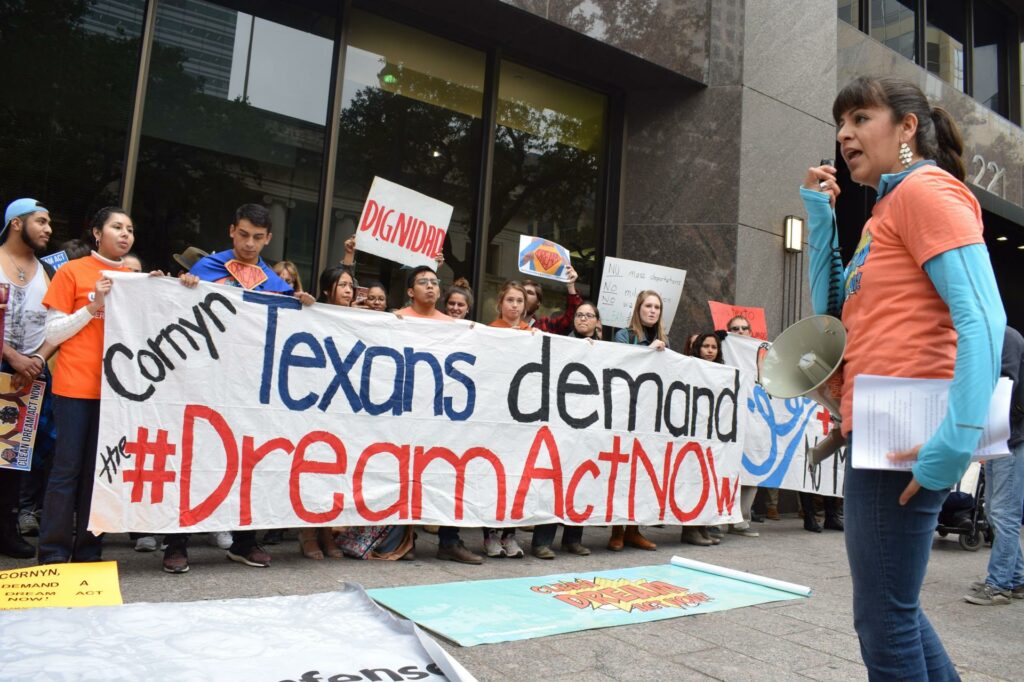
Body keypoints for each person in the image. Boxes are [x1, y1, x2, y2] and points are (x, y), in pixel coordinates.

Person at [802, 76, 1005, 679]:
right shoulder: (887, 208)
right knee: (895, 611)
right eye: (841, 123)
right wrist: (820, 216)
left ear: (908, 127)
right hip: (882, 431)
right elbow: (831, 321)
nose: (845, 134)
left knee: (884, 620)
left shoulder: (926, 191)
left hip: (907, 438)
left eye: (862, 118)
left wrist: (956, 437)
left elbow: (984, 319)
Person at [163, 204, 314, 574]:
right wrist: (182, 290)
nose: (249, 244)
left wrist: (306, 307)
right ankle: (176, 542)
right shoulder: (205, 270)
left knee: (250, 460)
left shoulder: (277, 285)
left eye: (258, 238)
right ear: (232, 230)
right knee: (192, 458)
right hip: (200, 380)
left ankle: (245, 541)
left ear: (269, 239)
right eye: (244, 234)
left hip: (248, 387)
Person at [36, 207, 137, 564]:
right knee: (67, 470)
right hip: (75, 386)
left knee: (101, 473)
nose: (125, 234)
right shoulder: (72, 271)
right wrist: (94, 305)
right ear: (97, 232)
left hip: (118, 393)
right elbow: (53, 333)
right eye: (116, 227)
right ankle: (53, 551)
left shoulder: (133, 279)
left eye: (129, 229)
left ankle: (89, 550)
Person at [392, 265, 481, 563]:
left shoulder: (454, 326)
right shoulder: (397, 319)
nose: (430, 286)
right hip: (407, 408)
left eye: (434, 282)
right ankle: (404, 539)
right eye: (423, 282)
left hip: (444, 412)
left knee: (450, 472)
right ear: (410, 291)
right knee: (405, 471)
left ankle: (449, 540)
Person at [0, 199, 57, 558]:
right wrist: (10, 355)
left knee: (13, 458)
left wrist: (36, 359)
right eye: (41, 221)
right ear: (16, 223)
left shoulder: (48, 270)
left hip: (30, 375)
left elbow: (57, 323)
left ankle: (6, 530)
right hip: (5, 365)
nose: (48, 228)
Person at [529, 301, 603, 559]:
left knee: (582, 483)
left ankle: (574, 539)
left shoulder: (606, 351)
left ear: (597, 322)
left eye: (589, 315)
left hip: (589, 425)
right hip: (560, 423)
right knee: (555, 481)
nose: (583, 319)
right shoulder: (560, 343)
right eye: (580, 315)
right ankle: (542, 541)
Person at [964, 325, 1024, 605]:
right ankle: (1017, 579)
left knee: (1003, 512)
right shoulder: (998, 336)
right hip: (1004, 436)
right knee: (995, 509)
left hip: (1011, 438)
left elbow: (1004, 387)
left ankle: (999, 585)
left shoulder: (1005, 337)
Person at [607, 290, 665, 552]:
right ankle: (617, 531)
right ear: (639, 309)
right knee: (622, 472)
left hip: (649, 415)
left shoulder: (665, 339)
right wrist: (646, 350)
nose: (652, 311)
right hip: (624, 412)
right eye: (648, 306)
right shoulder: (624, 335)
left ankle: (634, 530)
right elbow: (621, 363)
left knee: (642, 473)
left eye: (657, 307)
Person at [521, 267, 580, 332]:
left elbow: (571, 318)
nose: (524, 295)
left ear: (538, 303)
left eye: (530, 293)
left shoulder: (544, 325)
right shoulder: (507, 321)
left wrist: (571, 285)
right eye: (522, 292)